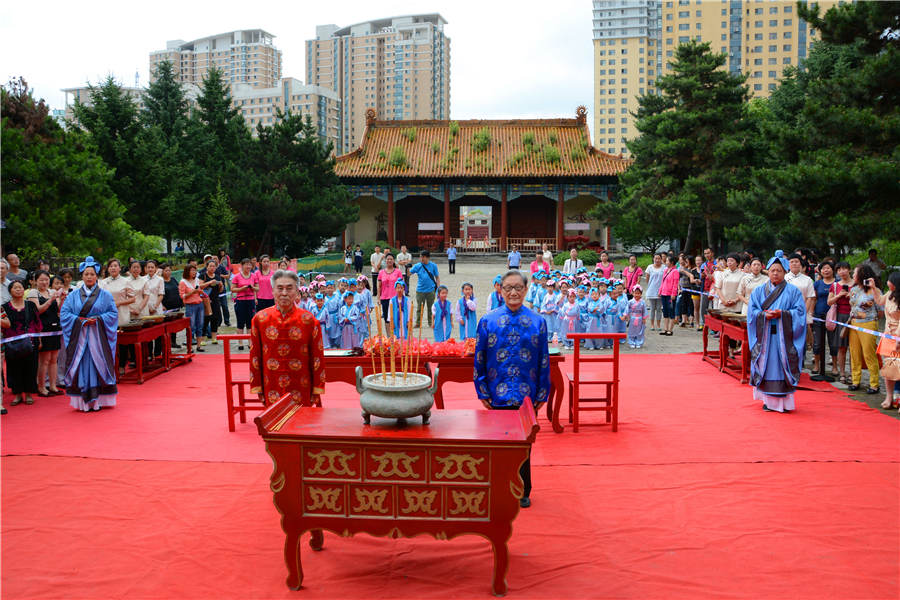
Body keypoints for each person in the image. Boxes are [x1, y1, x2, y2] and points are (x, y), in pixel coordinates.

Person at [474, 270, 549, 509]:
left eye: (518, 288)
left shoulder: (538, 322)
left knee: (524, 444)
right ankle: (499, 488)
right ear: (500, 290)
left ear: (526, 290)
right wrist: (482, 390)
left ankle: (523, 489)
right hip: (497, 393)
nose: (513, 292)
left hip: (527, 394)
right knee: (498, 444)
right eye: (508, 288)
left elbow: (544, 360)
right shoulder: (488, 321)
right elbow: (479, 357)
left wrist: (542, 393)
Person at [248, 270, 326, 406]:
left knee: (301, 418)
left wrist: (317, 388)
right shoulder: (260, 319)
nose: (284, 293)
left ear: (297, 292)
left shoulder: (309, 321)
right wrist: (258, 387)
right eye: (280, 288)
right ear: (273, 291)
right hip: (271, 383)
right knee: (273, 418)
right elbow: (255, 356)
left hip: (301, 383)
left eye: (289, 288)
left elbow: (317, 357)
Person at [747, 250, 807, 413]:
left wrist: (783, 314)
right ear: (768, 271)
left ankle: (784, 403)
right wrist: (763, 315)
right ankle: (767, 401)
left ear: (785, 272)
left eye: (779, 270)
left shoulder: (793, 291)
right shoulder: (759, 291)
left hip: (783, 340)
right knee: (766, 367)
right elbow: (752, 312)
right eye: (772, 270)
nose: (775, 273)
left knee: (782, 368)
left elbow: (800, 313)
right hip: (765, 338)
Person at [59, 257, 119, 412]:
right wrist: (79, 321)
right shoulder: (72, 296)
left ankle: (99, 400)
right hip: (80, 339)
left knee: (99, 364)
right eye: (86, 274)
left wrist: (98, 320)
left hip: (98, 339)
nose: (89, 277)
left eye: (92, 274)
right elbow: (64, 314)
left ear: (97, 276)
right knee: (81, 365)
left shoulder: (105, 295)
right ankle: (83, 401)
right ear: (82, 276)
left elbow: (113, 314)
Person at [2, 279, 42, 406]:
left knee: (31, 367)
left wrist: (39, 339)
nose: (18, 289)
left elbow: (37, 323)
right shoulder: (4, 307)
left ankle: (29, 394)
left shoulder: (30, 305)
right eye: (15, 288)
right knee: (14, 368)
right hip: (12, 343)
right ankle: (17, 394)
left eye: (20, 287)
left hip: (30, 342)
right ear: (10, 291)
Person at [846, 265, 882, 394]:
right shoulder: (854, 289)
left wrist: (872, 319)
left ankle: (874, 383)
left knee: (869, 354)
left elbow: (880, 310)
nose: (853, 275)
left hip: (868, 324)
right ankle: (855, 380)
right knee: (854, 353)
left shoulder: (874, 290)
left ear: (861, 275)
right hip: (853, 323)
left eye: (855, 273)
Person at [31, 271, 65, 396]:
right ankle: (41, 387)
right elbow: (38, 310)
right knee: (44, 360)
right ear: (36, 281)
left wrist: (62, 300)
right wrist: (51, 300)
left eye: (46, 279)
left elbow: (57, 310)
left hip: (55, 327)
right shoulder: (33, 293)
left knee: (54, 359)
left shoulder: (52, 292)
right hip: (42, 329)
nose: (44, 282)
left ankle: (53, 386)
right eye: (41, 280)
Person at [876, 272, 900, 411]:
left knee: (899, 367)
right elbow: (879, 301)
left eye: (890, 281)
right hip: (888, 334)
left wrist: (898, 338)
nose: (887, 283)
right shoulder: (889, 294)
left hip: (898, 334)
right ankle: (889, 396)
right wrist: (873, 287)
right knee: (888, 367)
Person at [827, 261, 854, 383]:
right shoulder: (835, 285)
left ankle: (853, 374)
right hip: (840, 316)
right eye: (839, 270)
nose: (842, 272)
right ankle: (842, 372)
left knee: (854, 348)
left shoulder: (856, 284)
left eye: (844, 269)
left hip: (854, 316)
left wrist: (851, 296)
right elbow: (829, 302)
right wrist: (839, 296)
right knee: (842, 347)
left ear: (849, 269)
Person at [810, 260, 837, 382]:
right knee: (817, 342)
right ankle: (817, 365)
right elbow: (813, 299)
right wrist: (811, 313)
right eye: (823, 268)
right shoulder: (817, 284)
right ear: (820, 271)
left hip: (833, 316)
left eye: (828, 268)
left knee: (833, 342)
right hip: (818, 315)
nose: (826, 270)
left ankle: (835, 367)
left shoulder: (837, 283)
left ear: (833, 269)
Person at [179, 264, 205, 354]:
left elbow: (200, 292)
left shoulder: (197, 280)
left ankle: (199, 346)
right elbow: (182, 296)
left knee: (200, 325)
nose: (194, 272)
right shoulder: (183, 282)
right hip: (190, 305)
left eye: (195, 270)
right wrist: (192, 292)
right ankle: (189, 347)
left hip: (199, 304)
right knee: (191, 326)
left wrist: (200, 291)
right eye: (192, 270)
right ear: (187, 271)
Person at [410, 251, 440, 329]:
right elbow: (409, 273)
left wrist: (438, 288)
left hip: (431, 290)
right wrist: (407, 268)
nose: (421, 259)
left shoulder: (433, 266)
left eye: (423, 257)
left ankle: (431, 322)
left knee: (431, 307)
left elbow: (437, 277)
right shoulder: (418, 266)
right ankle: (418, 323)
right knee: (419, 308)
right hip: (420, 290)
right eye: (420, 257)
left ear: (427, 257)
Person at [199, 260, 225, 345]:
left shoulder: (217, 276)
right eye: (210, 266)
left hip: (215, 300)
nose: (212, 268)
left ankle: (214, 337)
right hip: (205, 301)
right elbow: (200, 286)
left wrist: (221, 285)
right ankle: (202, 338)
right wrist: (210, 282)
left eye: (214, 266)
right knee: (205, 319)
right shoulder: (203, 275)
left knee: (215, 318)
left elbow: (220, 290)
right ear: (207, 267)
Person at [160, 264, 184, 349]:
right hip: (166, 307)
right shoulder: (161, 281)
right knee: (167, 325)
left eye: (169, 270)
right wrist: (161, 305)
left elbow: (179, 289)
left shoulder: (173, 279)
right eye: (166, 270)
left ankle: (173, 342)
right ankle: (166, 343)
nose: (168, 272)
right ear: (162, 271)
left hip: (176, 305)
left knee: (175, 325)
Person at [657, 255, 680, 336]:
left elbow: (675, 284)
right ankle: (665, 328)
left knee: (671, 311)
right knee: (665, 311)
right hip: (664, 293)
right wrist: (660, 291)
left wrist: (673, 293)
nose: (666, 262)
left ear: (672, 262)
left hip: (670, 294)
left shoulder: (675, 271)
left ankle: (670, 329)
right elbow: (662, 282)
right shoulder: (666, 270)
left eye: (667, 261)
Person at [376, 254, 403, 320]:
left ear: (393, 261)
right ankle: (387, 327)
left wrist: (401, 297)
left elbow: (401, 286)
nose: (389, 260)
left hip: (395, 298)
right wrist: (378, 298)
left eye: (391, 259)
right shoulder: (381, 272)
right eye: (388, 259)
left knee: (395, 318)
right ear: (385, 260)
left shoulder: (398, 271)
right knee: (386, 318)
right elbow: (379, 286)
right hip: (384, 298)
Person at [644, 253, 665, 331]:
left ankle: (658, 325)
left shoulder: (664, 267)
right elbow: (647, 279)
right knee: (652, 308)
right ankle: (652, 325)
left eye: (659, 258)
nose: (657, 260)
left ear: (661, 259)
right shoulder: (650, 267)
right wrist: (651, 286)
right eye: (656, 258)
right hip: (651, 291)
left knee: (659, 308)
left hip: (660, 291)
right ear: (653, 259)